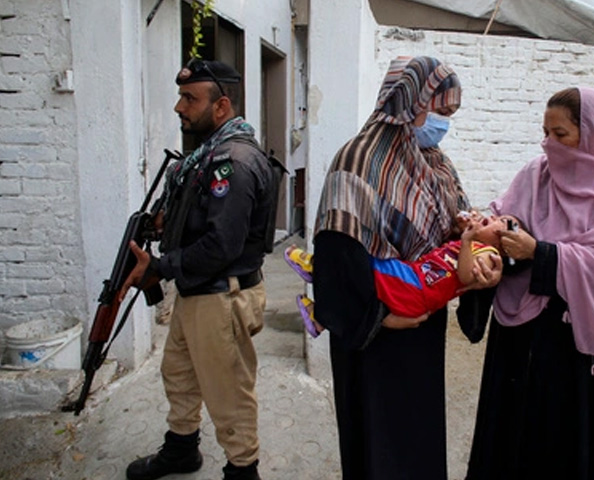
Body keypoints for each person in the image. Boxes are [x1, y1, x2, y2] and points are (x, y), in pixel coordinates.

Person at [312, 55, 502, 480]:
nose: (443, 123)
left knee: (417, 440)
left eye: (449, 114)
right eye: (440, 110)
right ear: (411, 102)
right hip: (373, 333)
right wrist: (380, 318)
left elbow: (458, 234)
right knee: (377, 445)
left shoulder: (435, 163)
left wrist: (480, 262)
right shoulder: (357, 159)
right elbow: (335, 255)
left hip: (423, 326)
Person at [459, 87, 594, 479]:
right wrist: (489, 233)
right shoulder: (535, 174)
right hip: (517, 335)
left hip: (570, 341)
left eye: (561, 135)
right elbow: (504, 216)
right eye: (545, 132)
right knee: (508, 434)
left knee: (559, 441)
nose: (549, 144)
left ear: (593, 134)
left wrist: (541, 253)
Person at [119, 59, 277, 480]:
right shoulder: (205, 157)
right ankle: (182, 450)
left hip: (222, 296)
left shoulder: (233, 162)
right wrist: (163, 225)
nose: (178, 107)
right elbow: (200, 217)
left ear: (221, 107)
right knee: (180, 375)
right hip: (198, 291)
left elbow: (222, 244)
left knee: (229, 395)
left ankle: (243, 472)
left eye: (190, 98)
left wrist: (161, 266)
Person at [285, 213, 514, 337]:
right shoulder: (475, 244)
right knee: (364, 274)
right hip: (414, 280)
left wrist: (467, 240)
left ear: (505, 246)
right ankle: (320, 317)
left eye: (501, 224)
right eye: (497, 216)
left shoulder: (488, 254)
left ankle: (317, 269)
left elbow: (465, 276)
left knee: (364, 264)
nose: (494, 218)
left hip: (415, 288)